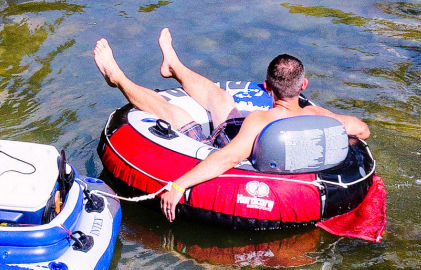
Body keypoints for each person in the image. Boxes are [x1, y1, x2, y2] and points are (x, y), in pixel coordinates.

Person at [92, 29, 370, 222]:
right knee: (221, 100)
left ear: (266, 88)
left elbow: (225, 158)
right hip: (265, 141)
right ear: (304, 85)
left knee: (174, 113)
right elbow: (362, 130)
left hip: (241, 150)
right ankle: (173, 65)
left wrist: (178, 186)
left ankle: (118, 78)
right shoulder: (319, 115)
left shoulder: (261, 120)